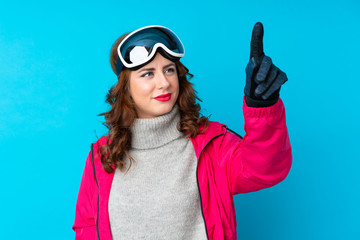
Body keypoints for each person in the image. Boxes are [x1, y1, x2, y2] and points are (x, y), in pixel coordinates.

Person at [72, 23, 292, 240]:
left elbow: (262, 170)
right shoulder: (102, 155)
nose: (164, 83)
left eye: (169, 70)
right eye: (148, 74)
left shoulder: (210, 143)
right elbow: (86, 228)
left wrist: (263, 108)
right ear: (126, 87)